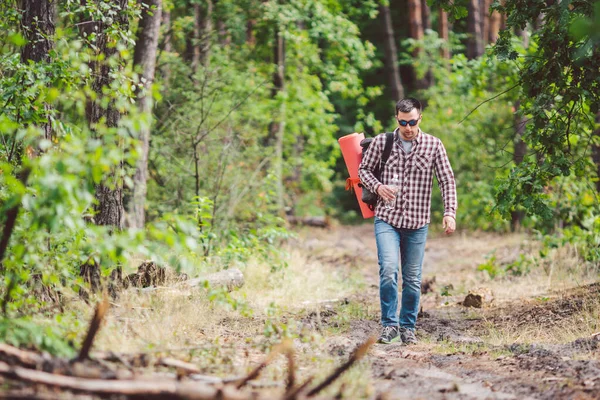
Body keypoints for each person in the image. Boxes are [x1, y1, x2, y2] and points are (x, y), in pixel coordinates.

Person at [358, 98, 457, 345]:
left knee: (412, 280)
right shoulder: (383, 142)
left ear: (420, 118)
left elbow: (447, 180)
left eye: (412, 122)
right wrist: (378, 187)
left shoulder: (434, 145)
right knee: (389, 270)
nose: (408, 128)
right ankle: (389, 325)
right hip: (387, 219)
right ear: (397, 120)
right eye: (403, 123)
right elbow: (364, 171)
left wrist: (449, 212)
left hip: (417, 223)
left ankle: (408, 328)